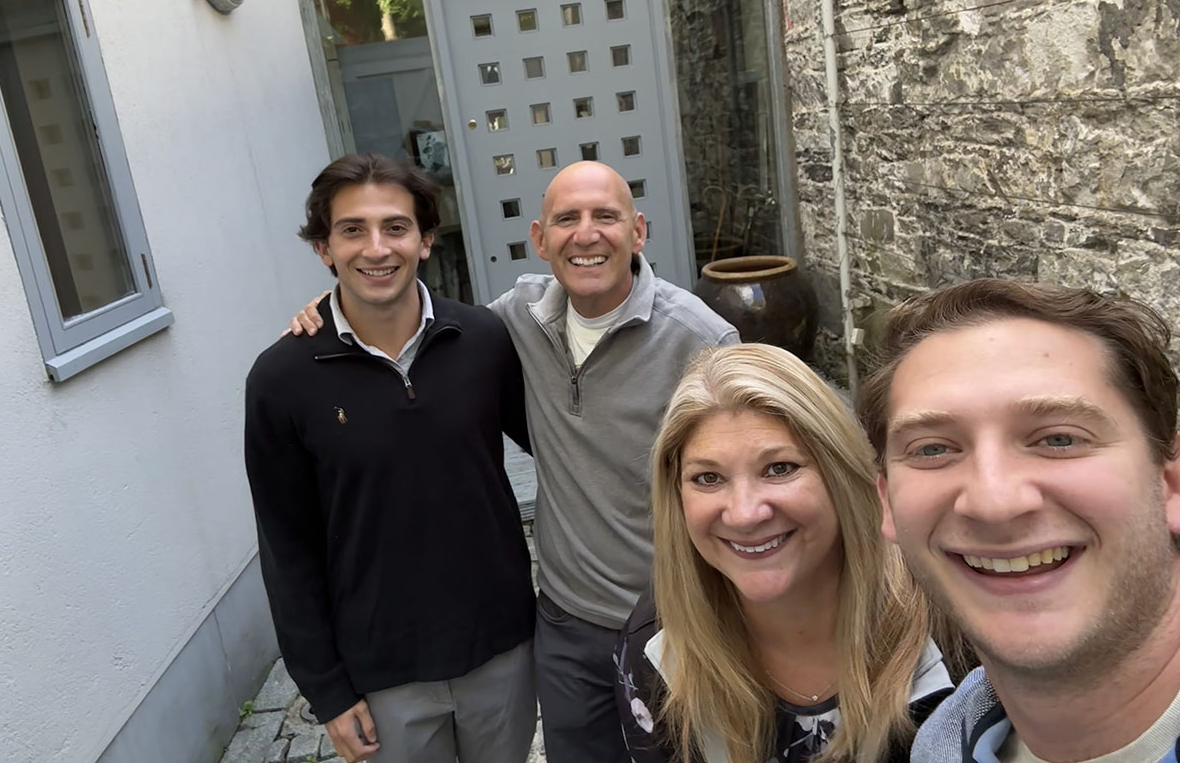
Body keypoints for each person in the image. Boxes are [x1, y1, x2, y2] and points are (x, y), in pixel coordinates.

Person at [290, 160, 739, 763]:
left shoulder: (702, 341)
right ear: (540, 239)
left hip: (679, 619)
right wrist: (334, 310)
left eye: (606, 216)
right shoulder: (511, 322)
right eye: (566, 219)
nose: (586, 234)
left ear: (638, 232)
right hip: (567, 624)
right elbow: (409, 318)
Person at [244, 154, 536, 763]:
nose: (376, 248)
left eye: (396, 227)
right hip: (382, 674)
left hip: (500, 650)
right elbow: (286, 546)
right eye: (352, 230)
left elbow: (557, 442)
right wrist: (326, 690)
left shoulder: (482, 340)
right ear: (324, 248)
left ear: (425, 240)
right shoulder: (282, 379)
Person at [862, 279, 1180, 763]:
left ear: (1170, 482)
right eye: (932, 449)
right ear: (886, 503)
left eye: (1059, 439)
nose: (994, 503)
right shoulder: (938, 744)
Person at [615, 343, 953, 763]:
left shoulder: (947, 623)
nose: (744, 514)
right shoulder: (657, 645)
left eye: (779, 468)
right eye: (708, 478)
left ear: (842, 475)